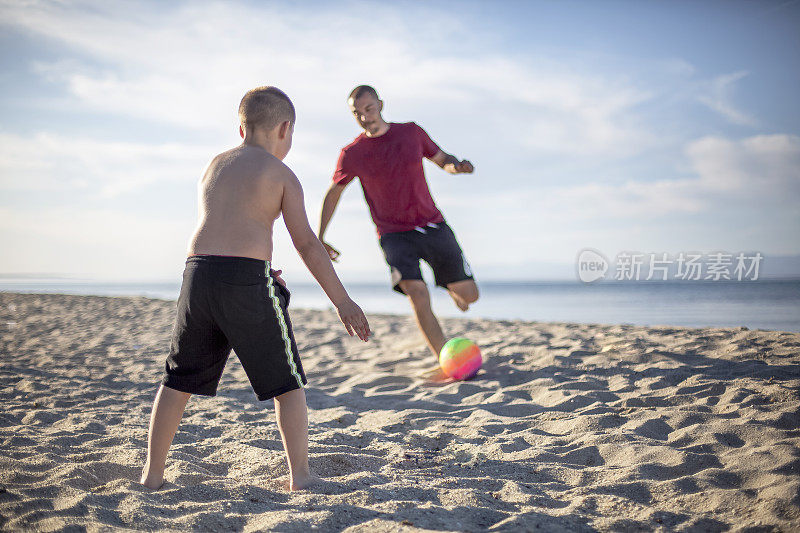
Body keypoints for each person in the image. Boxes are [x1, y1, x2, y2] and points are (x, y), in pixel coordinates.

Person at [140, 86, 371, 492]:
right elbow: (307, 245)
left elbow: (227, 227)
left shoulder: (214, 164)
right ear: (285, 129)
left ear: (240, 127)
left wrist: (255, 268)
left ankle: (152, 475)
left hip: (198, 276)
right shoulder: (281, 173)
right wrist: (343, 301)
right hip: (245, 282)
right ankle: (300, 476)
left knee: (177, 381)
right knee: (288, 384)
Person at [318, 85, 478, 363]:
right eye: (357, 113)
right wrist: (321, 236)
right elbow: (334, 192)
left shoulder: (411, 133)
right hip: (393, 234)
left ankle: (454, 290)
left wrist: (457, 167)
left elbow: (442, 159)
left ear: (380, 104)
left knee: (470, 296)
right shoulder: (352, 153)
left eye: (369, 109)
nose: (365, 117)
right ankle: (445, 358)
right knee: (416, 292)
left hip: (432, 225)